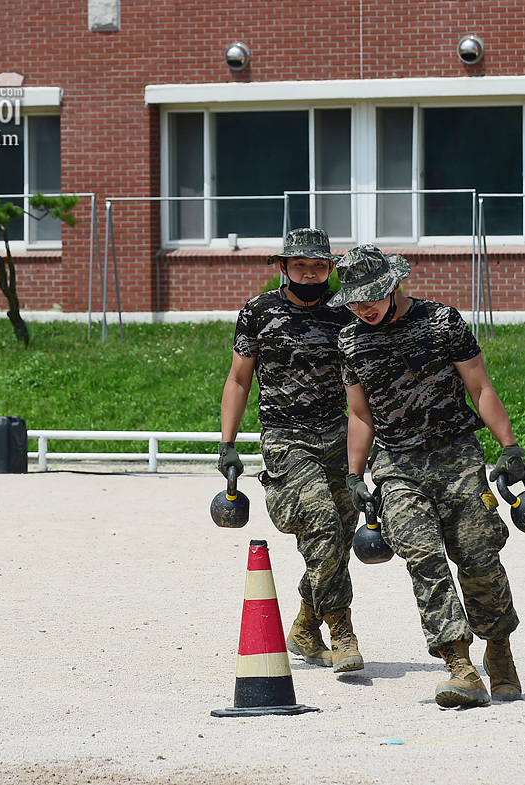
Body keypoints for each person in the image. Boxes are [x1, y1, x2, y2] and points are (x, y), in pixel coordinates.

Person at [329, 244, 525, 707]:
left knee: (479, 557)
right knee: (423, 557)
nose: (364, 307)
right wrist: (355, 475)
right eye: (355, 300)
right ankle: (459, 665)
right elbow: (360, 415)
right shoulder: (350, 341)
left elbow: (478, 386)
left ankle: (498, 648)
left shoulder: (442, 322)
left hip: (456, 457)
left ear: (393, 285)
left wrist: (509, 447)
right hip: (398, 466)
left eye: (372, 296)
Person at [218, 228, 364, 673]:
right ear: (283, 267)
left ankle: (303, 625)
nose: (309, 273)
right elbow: (239, 380)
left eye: (318, 266)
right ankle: (343, 632)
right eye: (300, 265)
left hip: (337, 437)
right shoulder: (258, 312)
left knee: (336, 541)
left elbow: (361, 388)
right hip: (286, 438)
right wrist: (227, 444)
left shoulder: (346, 315)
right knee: (320, 523)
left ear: (329, 269)